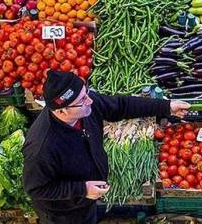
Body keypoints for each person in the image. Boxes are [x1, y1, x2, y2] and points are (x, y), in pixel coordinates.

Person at [22, 70, 191, 224]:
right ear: (62, 111)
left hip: (86, 202)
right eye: (81, 100)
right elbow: (36, 189)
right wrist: (82, 189)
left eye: (86, 93)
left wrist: (166, 106)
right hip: (64, 213)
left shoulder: (86, 107)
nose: (90, 100)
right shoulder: (41, 147)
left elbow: (121, 105)